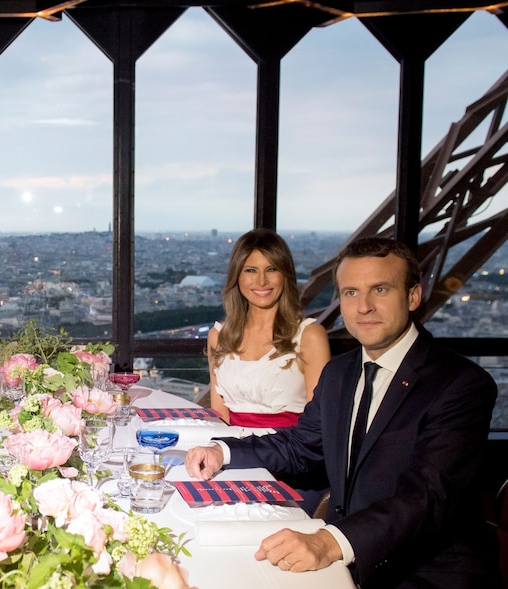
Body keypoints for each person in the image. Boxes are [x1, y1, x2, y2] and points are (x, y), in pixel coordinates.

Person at [185, 237, 499, 588]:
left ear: (413, 296)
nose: (363, 306)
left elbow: (428, 496)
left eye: (379, 289)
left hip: (423, 572)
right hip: (347, 556)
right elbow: (302, 446)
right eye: (350, 293)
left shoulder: (461, 384)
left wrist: (331, 541)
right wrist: (224, 451)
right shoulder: (341, 373)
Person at [207, 229, 330, 428]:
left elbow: (317, 423)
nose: (262, 281)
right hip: (230, 452)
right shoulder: (219, 337)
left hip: (288, 453)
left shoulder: (310, 336)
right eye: (251, 270)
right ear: (236, 276)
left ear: (286, 275)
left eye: (272, 269)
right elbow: (219, 414)